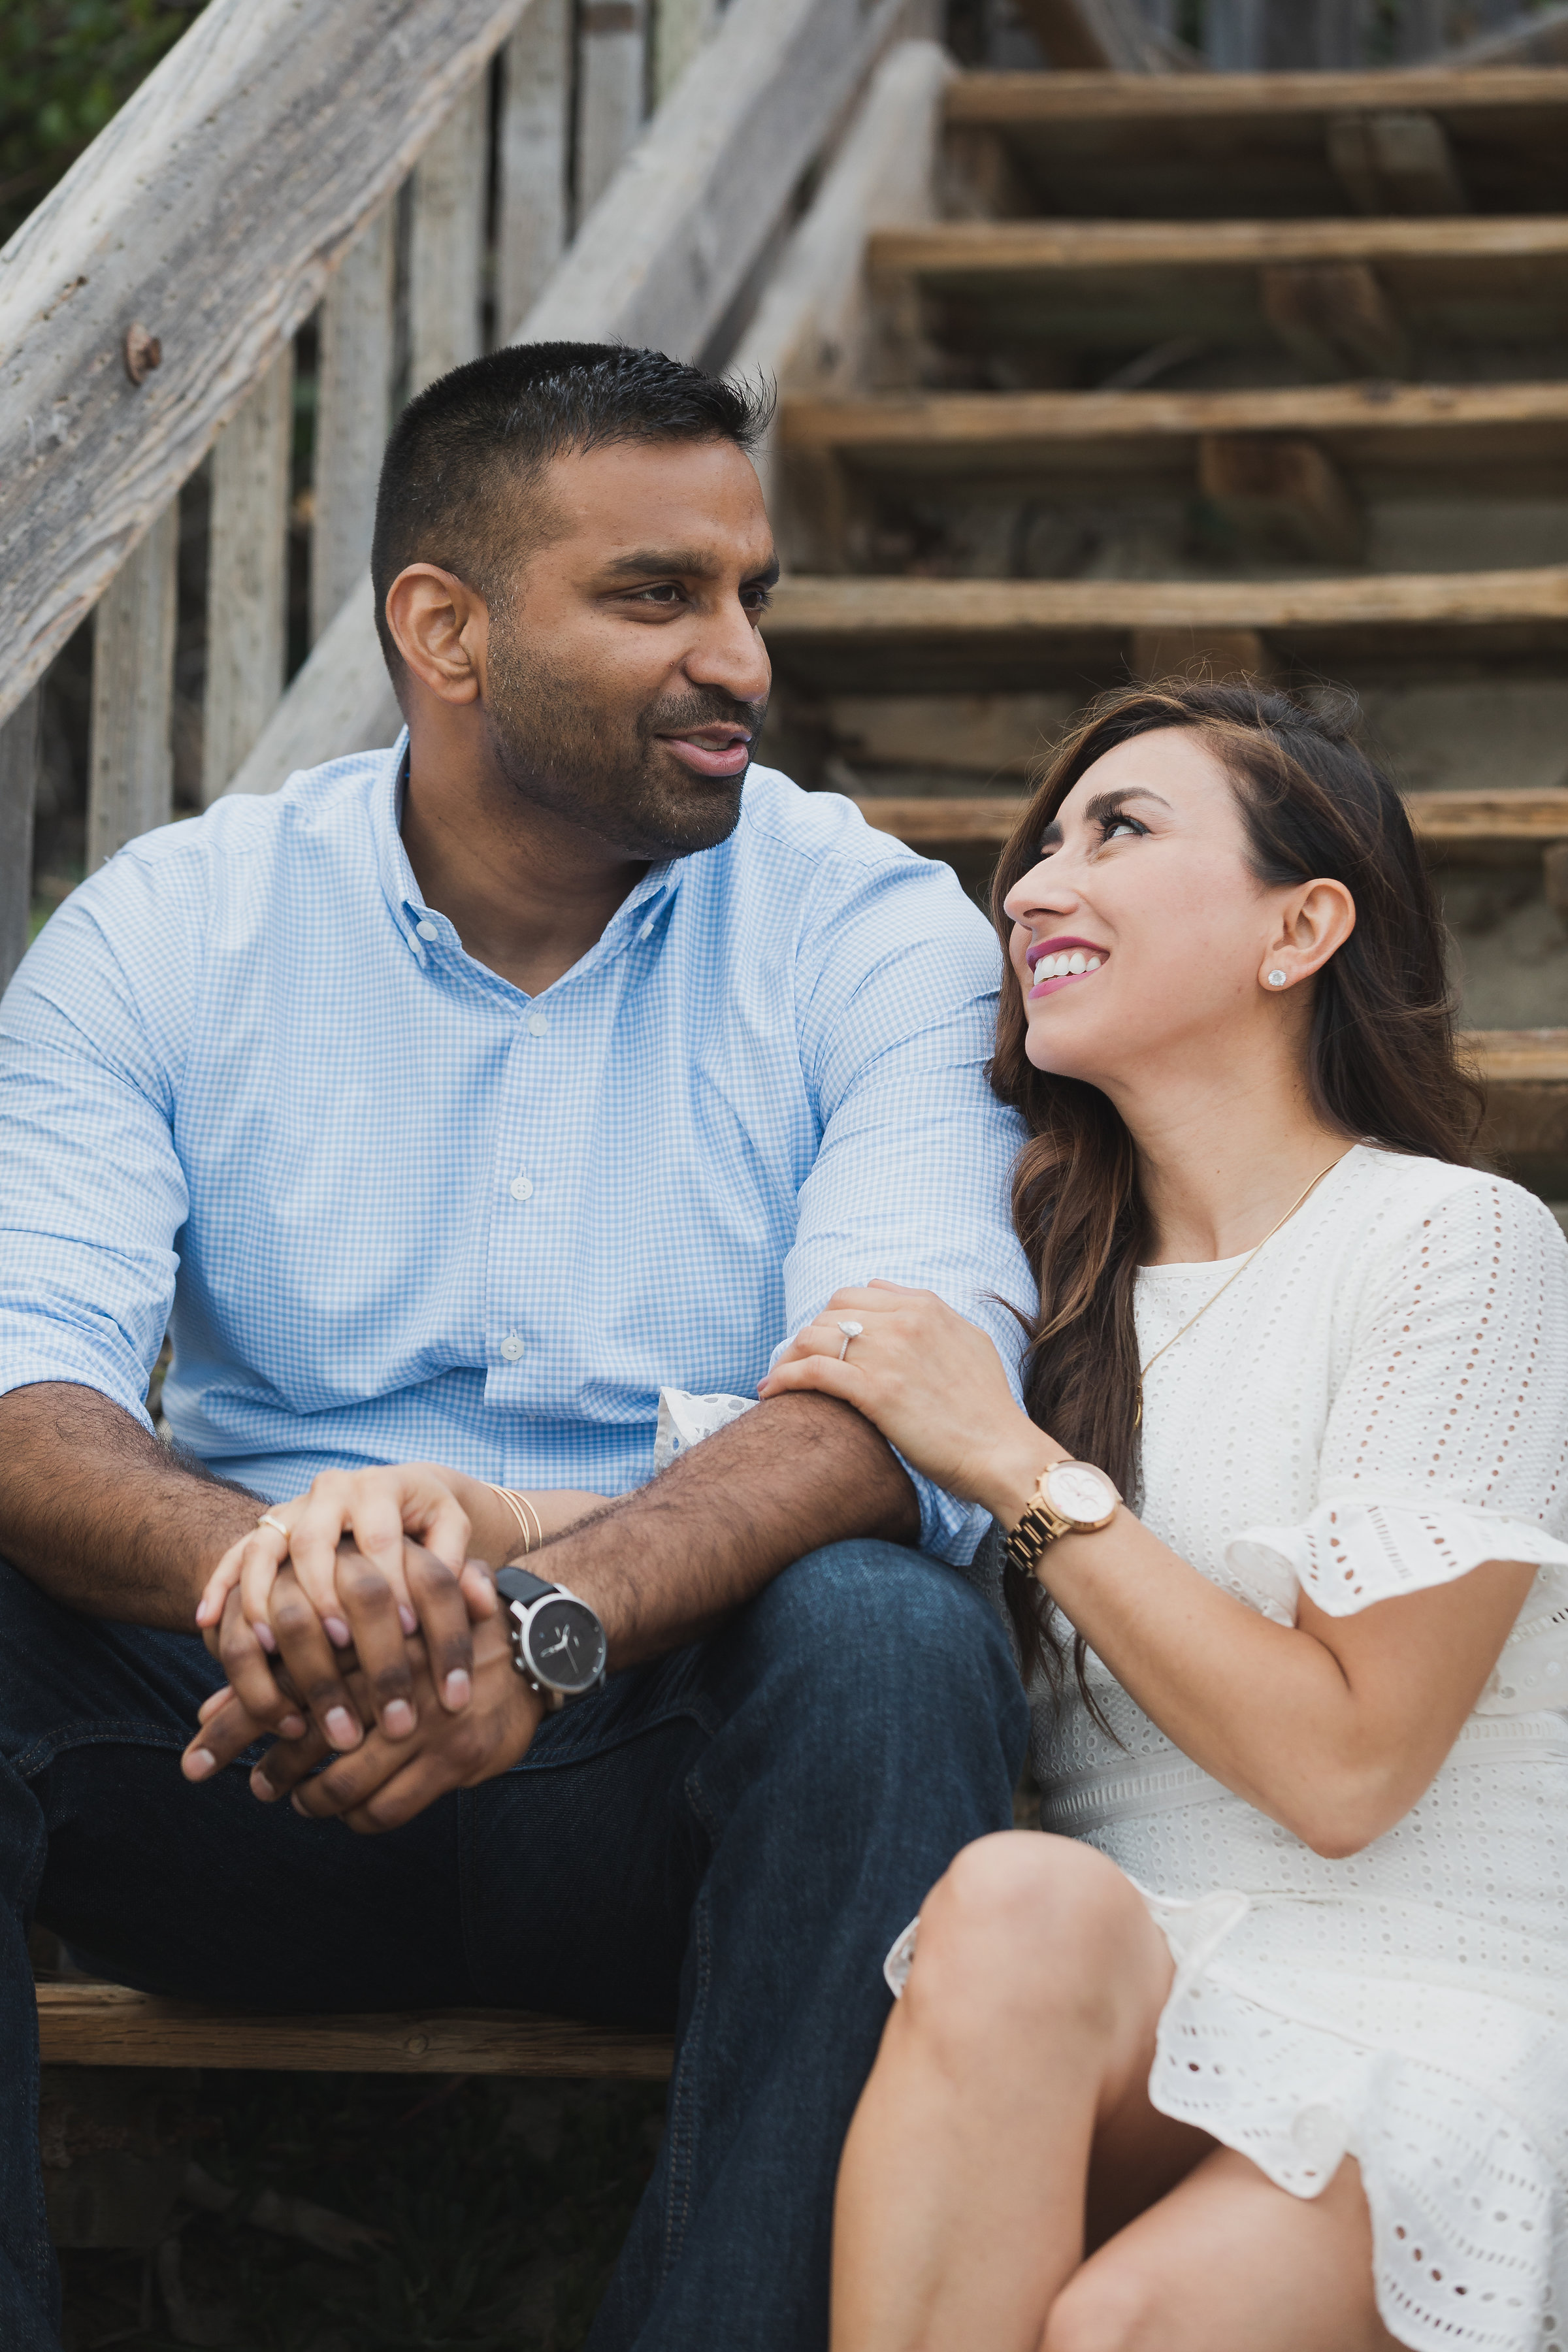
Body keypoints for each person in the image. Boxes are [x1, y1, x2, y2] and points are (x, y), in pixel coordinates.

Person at [0, 343, 1034, 2352]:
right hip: (241, 1735)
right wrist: (286, 1580)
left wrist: (542, 1621)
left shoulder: (877, 933)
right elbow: (20, 1383)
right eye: (658, 595)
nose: (737, 657)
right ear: (444, 628)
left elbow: (904, 1407)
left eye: (753, 598)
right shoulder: (170, 933)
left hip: (655, 1755)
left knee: (893, 1637)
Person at [760, 680, 1568, 2352]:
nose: (1034, 889)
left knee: (1131, 2326)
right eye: (1038, 850)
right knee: (1013, 1900)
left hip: (1437, 2005)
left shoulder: (1458, 1249)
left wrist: (1018, 1472)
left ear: (1303, 927)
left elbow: (1348, 1772)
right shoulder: (1032, 1309)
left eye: (1119, 832)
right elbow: (735, 1463)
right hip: (1120, 2010)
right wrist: (463, 1505)